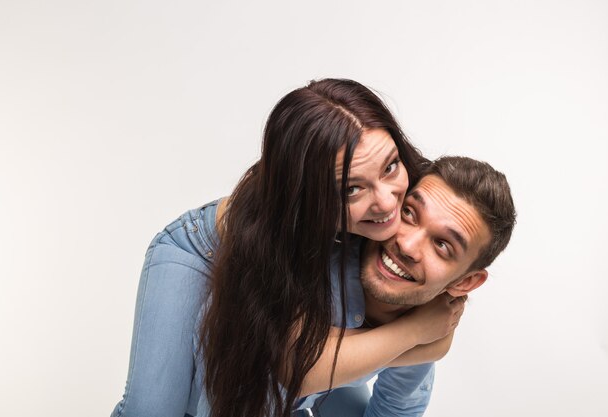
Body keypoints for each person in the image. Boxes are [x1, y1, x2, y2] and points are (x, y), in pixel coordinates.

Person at [110, 79, 463, 417]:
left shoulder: (417, 206)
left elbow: (415, 370)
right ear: (308, 196)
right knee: (156, 408)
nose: (387, 204)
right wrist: (417, 334)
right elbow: (297, 366)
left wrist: (429, 336)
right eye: (352, 189)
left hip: (310, 324)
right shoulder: (279, 236)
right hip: (200, 251)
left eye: (390, 166)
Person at [302, 155, 517, 416]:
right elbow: (292, 367)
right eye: (409, 213)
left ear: (465, 282)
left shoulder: (429, 321)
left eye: (442, 245)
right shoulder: (310, 259)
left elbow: (395, 410)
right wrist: (413, 334)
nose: (407, 245)